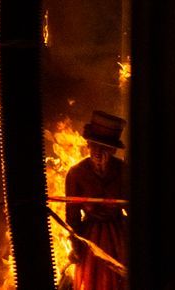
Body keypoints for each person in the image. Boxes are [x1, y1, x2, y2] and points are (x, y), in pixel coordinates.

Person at [63, 111, 127, 290]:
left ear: (113, 150)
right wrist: (75, 245)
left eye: (105, 148)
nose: (98, 152)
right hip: (90, 239)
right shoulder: (76, 173)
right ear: (88, 145)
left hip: (119, 236)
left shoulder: (123, 170)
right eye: (94, 146)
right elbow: (72, 217)